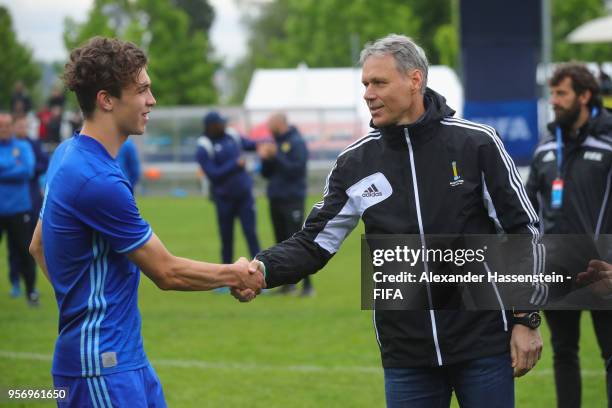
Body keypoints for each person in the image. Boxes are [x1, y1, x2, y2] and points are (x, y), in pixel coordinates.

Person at [235, 34, 544, 407]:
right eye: (365, 84)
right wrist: (263, 269)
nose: (368, 93)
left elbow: (522, 229)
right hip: (406, 354)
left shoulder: (476, 144)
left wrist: (526, 317)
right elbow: (314, 242)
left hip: (481, 344)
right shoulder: (355, 163)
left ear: (415, 80)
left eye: (379, 82)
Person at [28, 37, 264, 407]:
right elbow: (166, 272)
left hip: (123, 359)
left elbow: (38, 246)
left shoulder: (68, 154)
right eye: (142, 90)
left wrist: (80, 305)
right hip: (102, 368)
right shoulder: (96, 180)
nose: (151, 100)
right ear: (106, 100)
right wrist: (236, 274)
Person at [526, 62, 612, 408]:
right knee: (564, 353)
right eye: (552, 94)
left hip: (604, 270)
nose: (554, 101)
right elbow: (527, 209)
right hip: (558, 270)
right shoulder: (546, 148)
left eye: (561, 93)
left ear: (585, 95)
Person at [196, 111, 261, 266]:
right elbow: (213, 174)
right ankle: (225, 277)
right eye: (220, 123)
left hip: (245, 195)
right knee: (226, 238)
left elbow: (250, 145)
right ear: (212, 126)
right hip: (224, 198)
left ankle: (260, 273)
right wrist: (235, 164)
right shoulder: (204, 145)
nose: (224, 125)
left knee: (251, 234)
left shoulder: (232, 135)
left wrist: (264, 144)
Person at [257, 113, 312, 296]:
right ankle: (287, 285)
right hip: (276, 198)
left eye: (270, 124)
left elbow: (296, 170)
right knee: (280, 242)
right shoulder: (276, 143)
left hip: (292, 199)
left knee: (298, 242)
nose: (268, 128)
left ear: (279, 124)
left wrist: (277, 155)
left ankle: (308, 287)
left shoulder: (296, 142)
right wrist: (266, 159)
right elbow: (267, 174)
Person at [8, 116, 48, 297]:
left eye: (25, 125)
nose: (22, 128)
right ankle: (14, 281)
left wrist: (25, 170)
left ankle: (30, 288)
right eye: (19, 125)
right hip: (8, 205)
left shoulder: (32, 144)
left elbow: (34, 166)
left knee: (27, 245)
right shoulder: (11, 146)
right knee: (12, 249)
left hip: (29, 203)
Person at [0, 112, 38, 305]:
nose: (4, 129)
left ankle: (31, 292)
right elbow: (19, 170)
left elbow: (27, 170)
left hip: (19, 209)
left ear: (13, 127)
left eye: (7, 125)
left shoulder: (22, 146)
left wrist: (3, 169)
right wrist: (12, 167)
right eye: (1, 125)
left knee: (25, 252)